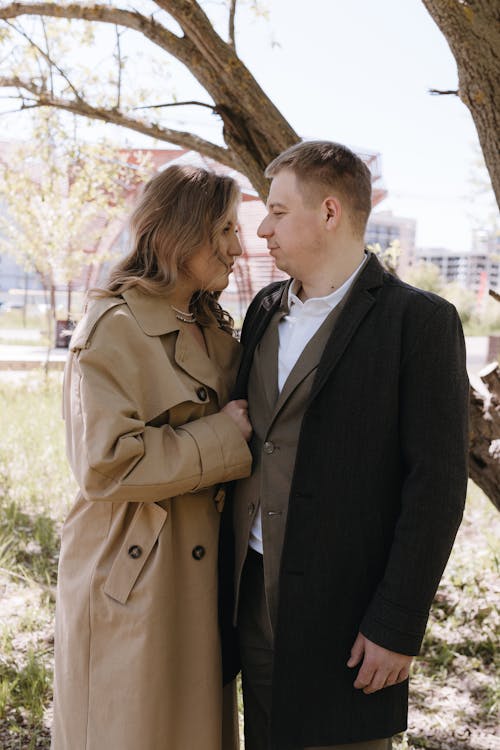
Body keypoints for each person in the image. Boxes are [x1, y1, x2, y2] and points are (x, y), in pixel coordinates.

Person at [228, 141, 469, 750]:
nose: (263, 228)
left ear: (330, 212)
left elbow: (436, 485)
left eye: (279, 212)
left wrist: (397, 623)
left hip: (351, 612)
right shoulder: (262, 310)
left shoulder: (421, 322)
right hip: (251, 591)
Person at [52, 164, 254, 750]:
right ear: (181, 232)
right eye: (223, 230)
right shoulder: (114, 326)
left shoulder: (212, 324)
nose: (237, 247)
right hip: (134, 575)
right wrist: (222, 437)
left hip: (203, 576)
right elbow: (104, 465)